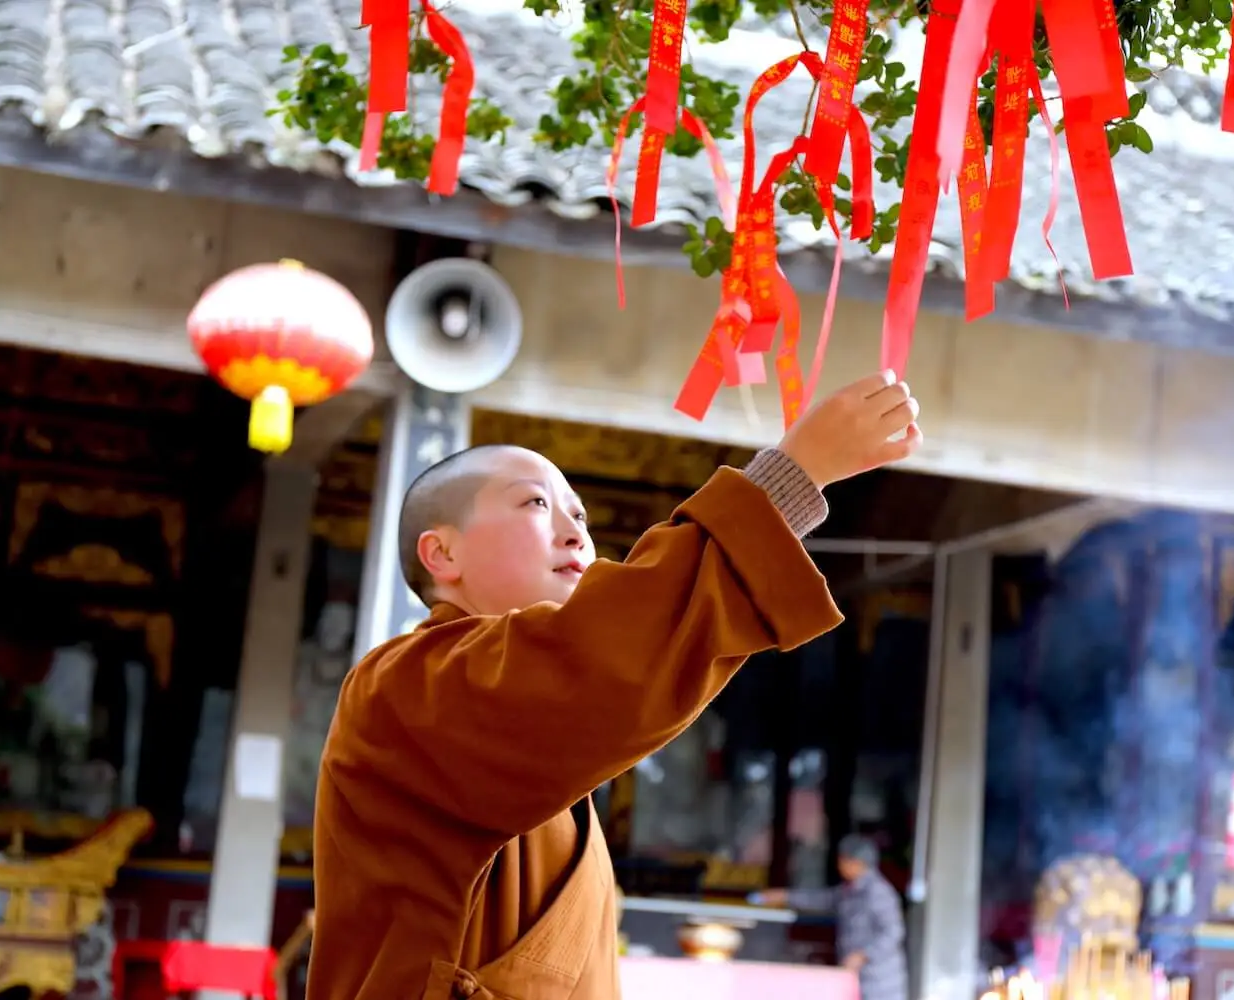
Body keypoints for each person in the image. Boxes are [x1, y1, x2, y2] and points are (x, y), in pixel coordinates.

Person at [307, 371, 922, 1000]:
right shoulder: (402, 686)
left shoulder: (529, 724)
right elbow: (610, 656)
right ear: (442, 555)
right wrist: (793, 476)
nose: (576, 533)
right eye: (536, 504)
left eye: (580, 514)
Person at [754, 835, 908, 1000]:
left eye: (842, 860)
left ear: (855, 862)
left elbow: (894, 931)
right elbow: (822, 899)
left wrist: (863, 955)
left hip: (880, 982)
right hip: (856, 978)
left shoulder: (878, 893)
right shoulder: (848, 890)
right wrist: (784, 896)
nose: (839, 865)